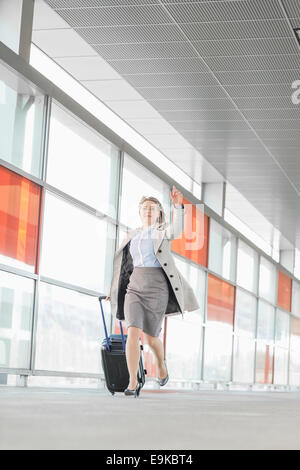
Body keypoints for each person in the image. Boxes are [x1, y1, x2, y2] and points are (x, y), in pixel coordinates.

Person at [105, 185, 200, 397]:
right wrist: (113, 289)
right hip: (134, 287)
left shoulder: (162, 232)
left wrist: (178, 207)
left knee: (150, 338)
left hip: (157, 287)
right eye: (145, 207)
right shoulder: (131, 236)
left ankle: (161, 365)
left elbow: (177, 229)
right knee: (132, 332)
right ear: (139, 212)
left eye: (153, 208)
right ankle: (132, 381)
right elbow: (122, 268)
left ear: (158, 213)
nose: (148, 211)